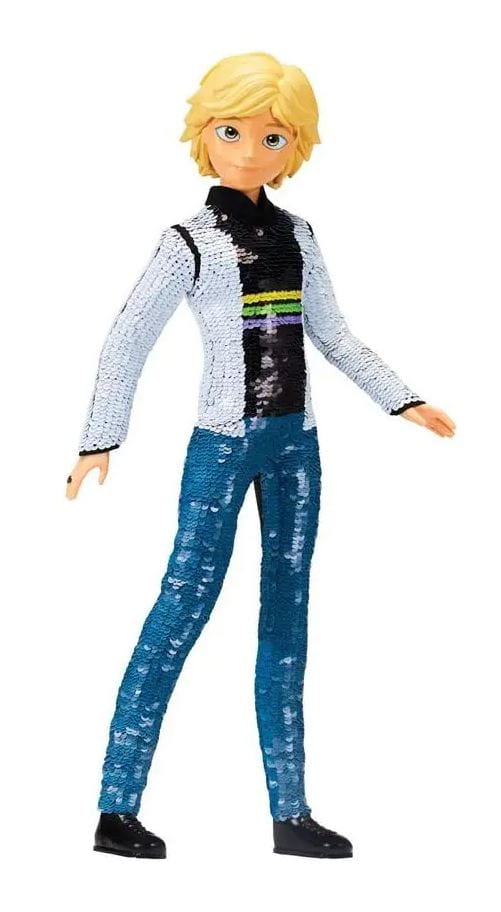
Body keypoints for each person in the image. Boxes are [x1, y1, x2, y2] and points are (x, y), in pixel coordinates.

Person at [66, 51, 456, 860]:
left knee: (287, 618)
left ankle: (290, 811)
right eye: (231, 132)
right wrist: (100, 438)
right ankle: (115, 807)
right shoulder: (188, 242)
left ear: (295, 145)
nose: (249, 151)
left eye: (272, 137)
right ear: (203, 134)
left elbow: (333, 335)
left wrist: (401, 398)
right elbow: (127, 340)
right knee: (180, 611)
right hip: (221, 445)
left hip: (295, 448)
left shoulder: (299, 235)